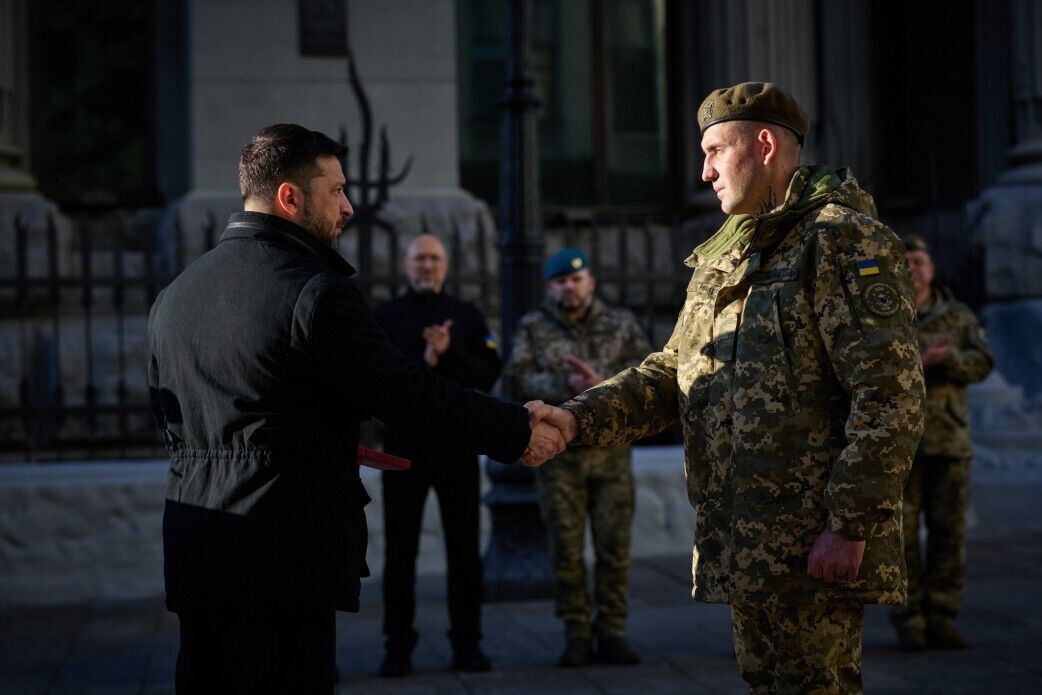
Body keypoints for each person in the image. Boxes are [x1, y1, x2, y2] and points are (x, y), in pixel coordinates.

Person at [527, 83, 925, 693]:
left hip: (811, 544)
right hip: (748, 543)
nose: (704, 170)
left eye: (715, 150)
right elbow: (674, 372)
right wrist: (577, 419)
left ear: (763, 145)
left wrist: (849, 524)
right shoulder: (727, 255)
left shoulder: (840, 239)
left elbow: (889, 393)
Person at [147, 123, 563, 693]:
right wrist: (516, 428)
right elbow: (405, 393)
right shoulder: (313, 291)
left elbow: (173, 420)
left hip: (199, 545)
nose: (348, 206)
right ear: (289, 198)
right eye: (336, 190)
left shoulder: (175, 295)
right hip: (283, 555)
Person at [503, 248, 652, 667]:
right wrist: (561, 382)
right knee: (565, 552)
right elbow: (514, 379)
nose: (569, 286)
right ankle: (576, 633)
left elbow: (647, 374)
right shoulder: (533, 327)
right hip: (559, 460)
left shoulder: (620, 323)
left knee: (614, 549)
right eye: (560, 281)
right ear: (550, 287)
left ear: (591, 282)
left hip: (610, 457)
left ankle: (613, 632)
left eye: (577, 278)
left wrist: (602, 384)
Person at [372, 234, 502, 676]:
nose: (427, 266)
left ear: (445, 266)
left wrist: (449, 354)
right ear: (406, 265)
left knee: (464, 552)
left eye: (434, 259)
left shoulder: (465, 316)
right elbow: (378, 381)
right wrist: (424, 360)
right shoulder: (386, 317)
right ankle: (397, 648)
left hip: (457, 450)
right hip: (404, 452)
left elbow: (487, 373)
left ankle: (468, 645)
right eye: (419, 259)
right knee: (400, 553)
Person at [890, 234, 993, 651]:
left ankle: (943, 615)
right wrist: (918, 359)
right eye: (907, 261)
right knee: (901, 539)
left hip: (948, 443)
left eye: (920, 260)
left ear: (931, 267)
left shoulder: (958, 316)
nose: (915, 268)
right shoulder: (887, 314)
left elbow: (983, 362)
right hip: (901, 446)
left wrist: (948, 359)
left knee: (949, 535)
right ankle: (909, 619)